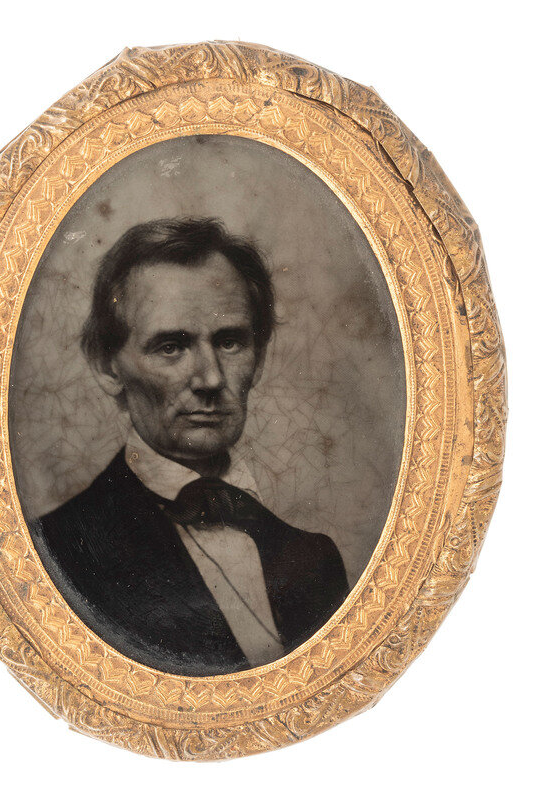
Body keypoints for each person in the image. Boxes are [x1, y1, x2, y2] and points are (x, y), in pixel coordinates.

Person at [32, 217, 348, 676]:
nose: (211, 379)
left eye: (230, 342)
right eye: (171, 347)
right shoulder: (57, 555)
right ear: (107, 367)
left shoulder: (315, 560)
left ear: (259, 357)